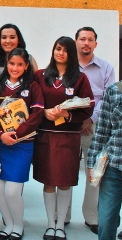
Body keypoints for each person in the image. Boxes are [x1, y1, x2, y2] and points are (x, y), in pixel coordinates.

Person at [32, 36, 94, 240]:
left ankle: (60, 226)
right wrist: (44, 112)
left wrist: (67, 115)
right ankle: (50, 224)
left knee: (65, 182)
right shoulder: (41, 75)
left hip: (68, 138)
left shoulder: (80, 78)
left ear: (71, 54)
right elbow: (31, 102)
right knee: (48, 182)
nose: (60, 53)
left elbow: (88, 106)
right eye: (58, 48)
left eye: (65, 50)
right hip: (46, 137)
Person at [0, 48, 44, 240]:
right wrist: (0, 134)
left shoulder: (33, 87)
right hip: (0, 144)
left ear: (26, 66)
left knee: (12, 191)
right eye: (12, 63)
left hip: (22, 144)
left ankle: (18, 227)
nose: (15, 67)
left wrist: (16, 133)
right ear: (7, 64)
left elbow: (37, 115)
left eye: (20, 64)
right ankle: (8, 225)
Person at [74, 26, 115, 234]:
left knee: (94, 171)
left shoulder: (106, 68)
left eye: (90, 40)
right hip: (70, 126)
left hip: (94, 127)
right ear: (76, 42)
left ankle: (91, 216)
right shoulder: (68, 67)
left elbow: (108, 99)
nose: (86, 43)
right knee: (66, 171)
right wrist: (77, 120)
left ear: (95, 44)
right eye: (82, 39)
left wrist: (89, 119)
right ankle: (61, 217)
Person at [87, 81, 122, 240]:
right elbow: (102, 130)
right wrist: (91, 162)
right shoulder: (115, 91)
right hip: (114, 165)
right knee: (106, 220)